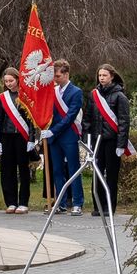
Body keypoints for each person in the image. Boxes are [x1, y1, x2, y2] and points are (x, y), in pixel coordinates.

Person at [86, 64, 131, 217]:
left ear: (112, 76)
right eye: (100, 75)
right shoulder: (93, 95)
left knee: (111, 175)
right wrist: (87, 140)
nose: (102, 78)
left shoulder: (120, 96)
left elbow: (124, 122)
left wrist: (121, 144)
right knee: (97, 173)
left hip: (112, 141)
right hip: (97, 140)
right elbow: (87, 119)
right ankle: (98, 205)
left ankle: (109, 207)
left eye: (105, 75)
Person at [42, 60, 84, 215]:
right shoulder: (52, 91)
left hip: (68, 135)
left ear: (66, 74)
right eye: (54, 76)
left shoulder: (76, 92)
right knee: (57, 170)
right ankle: (61, 202)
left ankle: (77, 203)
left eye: (58, 76)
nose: (55, 79)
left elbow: (70, 116)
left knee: (73, 169)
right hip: (54, 137)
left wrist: (53, 131)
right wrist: (44, 126)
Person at [0, 67, 36, 214]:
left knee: (23, 169)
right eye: (6, 81)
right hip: (6, 136)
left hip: (22, 136)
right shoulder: (2, 97)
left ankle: (23, 202)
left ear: (18, 79)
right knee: (7, 170)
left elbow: (31, 119)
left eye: (11, 81)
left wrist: (31, 138)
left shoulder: (26, 96)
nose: (8, 84)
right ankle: (11, 202)